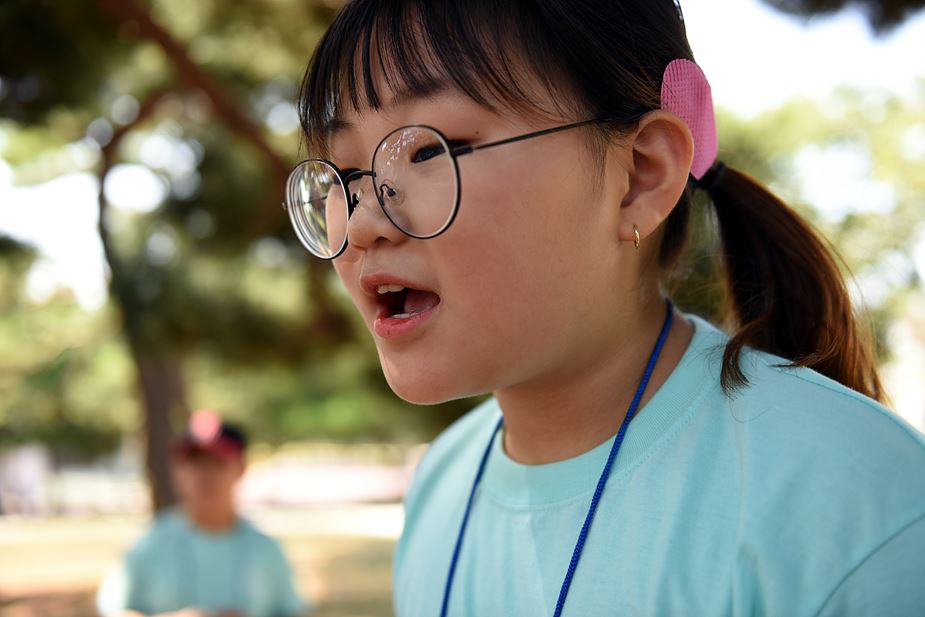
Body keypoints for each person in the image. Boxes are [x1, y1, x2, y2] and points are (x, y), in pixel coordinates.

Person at [284, 1, 925, 615]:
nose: (362, 223)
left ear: (640, 175)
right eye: (344, 174)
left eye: (430, 151)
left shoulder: (853, 503)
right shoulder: (440, 489)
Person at [97, 410, 308, 617]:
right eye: (195, 463)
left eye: (217, 463)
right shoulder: (149, 543)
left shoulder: (266, 551)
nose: (205, 475)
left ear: (240, 468)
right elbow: (117, 610)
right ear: (177, 470)